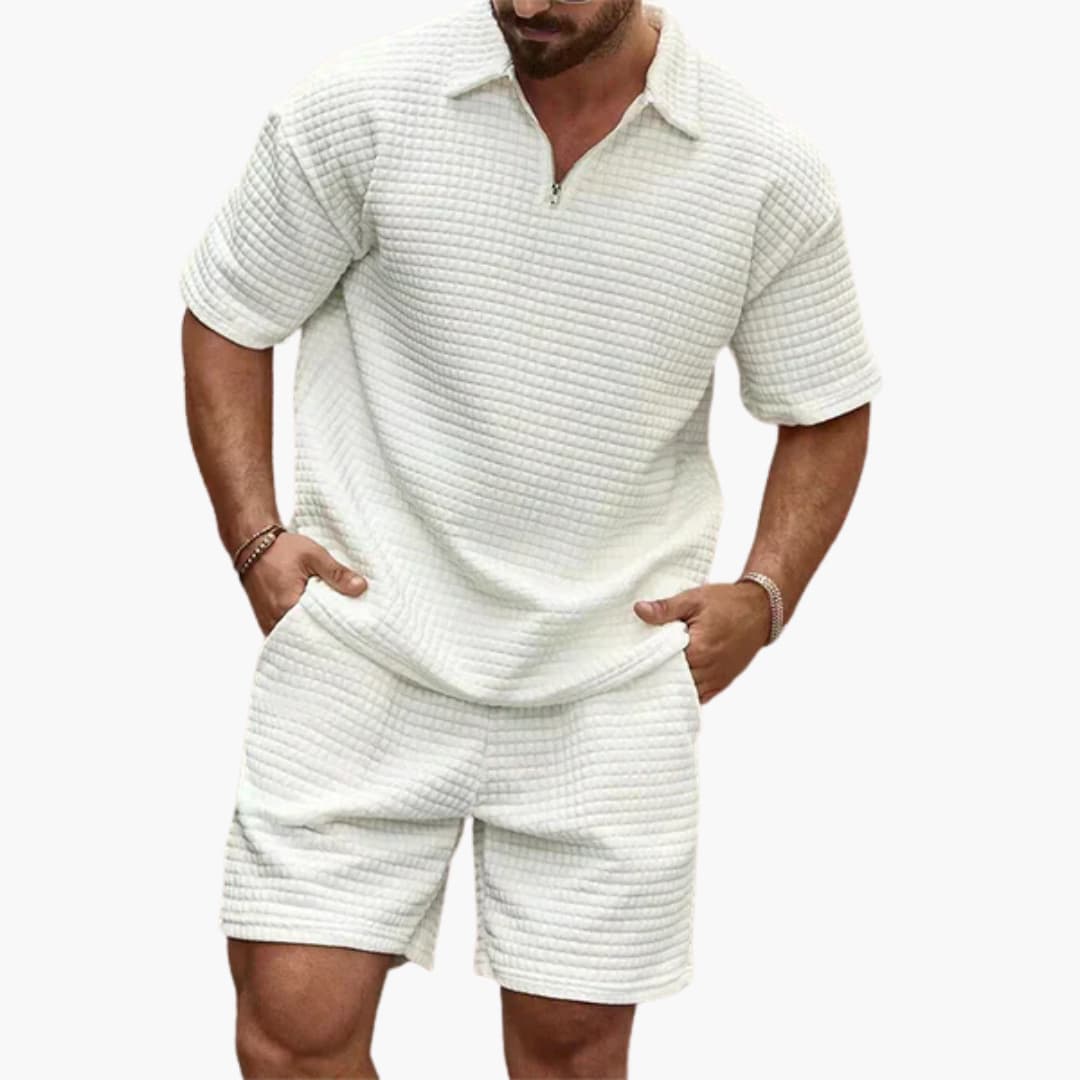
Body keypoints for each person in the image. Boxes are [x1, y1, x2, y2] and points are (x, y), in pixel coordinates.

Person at [178, 0, 883, 1075]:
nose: (530, 4)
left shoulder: (762, 166)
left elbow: (826, 403)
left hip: (607, 680)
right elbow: (230, 310)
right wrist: (254, 537)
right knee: (292, 1039)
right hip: (365, 651)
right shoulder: (361, 105)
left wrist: (767, 593)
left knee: (570, 1059)